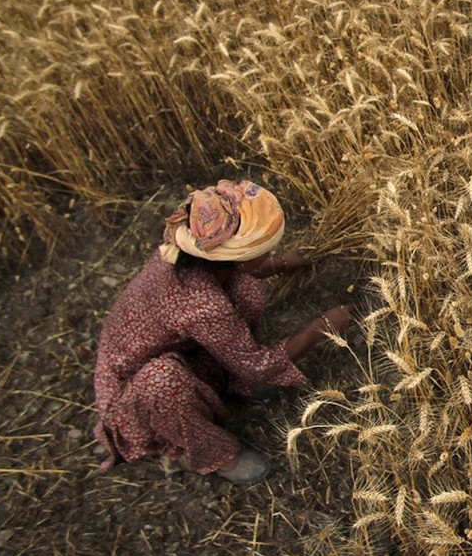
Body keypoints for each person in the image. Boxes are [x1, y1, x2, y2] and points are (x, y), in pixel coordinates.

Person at [91, 179, 351, 484]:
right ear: (235, 257)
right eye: (264, 248)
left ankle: (234, 380)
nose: (271, 250)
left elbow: (240, 269)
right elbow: (258, 362)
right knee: (164, 381)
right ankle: (216, 456)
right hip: (136, 394)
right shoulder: (203, 304)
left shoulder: (186, 254)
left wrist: (282, 263)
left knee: (247, 288)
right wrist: (319, 330)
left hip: (183, 351)